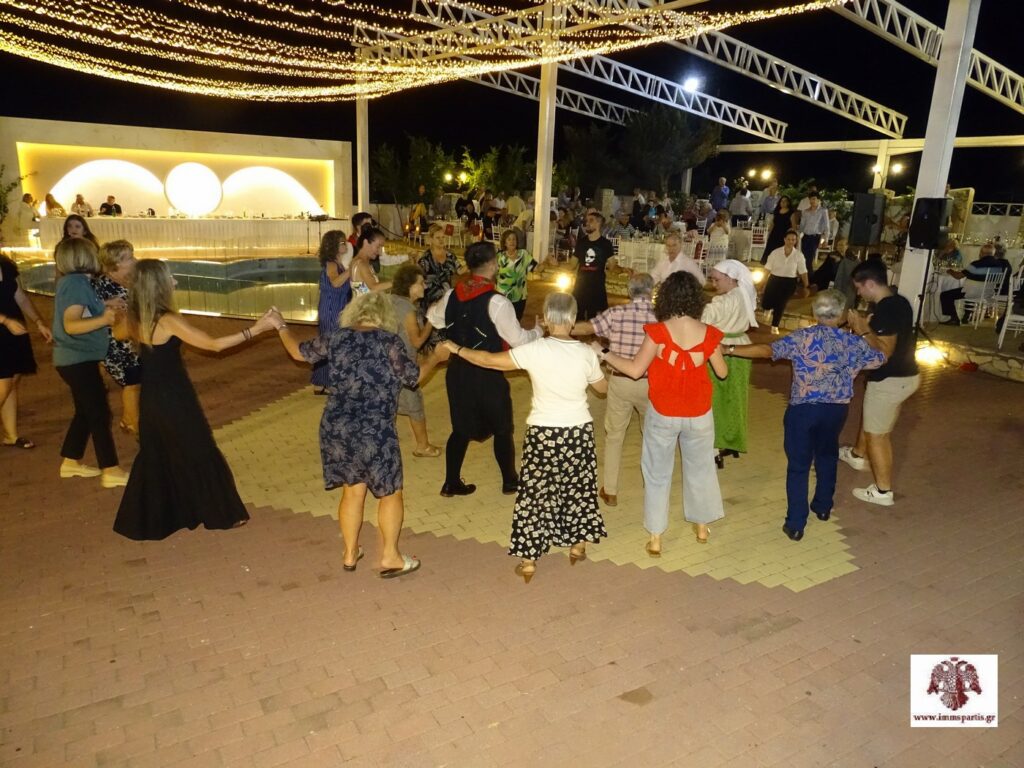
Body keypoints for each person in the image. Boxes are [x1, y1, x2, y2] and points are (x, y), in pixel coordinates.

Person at [269, 293, 448, 576]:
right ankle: (390, 557)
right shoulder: (388, 342)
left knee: (352, 489)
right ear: (385, 316)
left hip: (337, 427)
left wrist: (281, 325)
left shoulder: (337, 337)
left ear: (354, 313)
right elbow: (413, 377)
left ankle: (351, 552)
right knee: (390, 492)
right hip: (375, 429)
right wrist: (436, 357)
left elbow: (298, 352)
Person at [444, 293, 608, 583]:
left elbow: (489, 361)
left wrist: (457, 349)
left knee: (534, 493)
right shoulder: (585, 353)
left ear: (545, 319)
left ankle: (529, 560)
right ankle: (578, 545)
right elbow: (602, 388)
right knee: (579, 487)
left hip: (542, 431)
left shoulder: (535, 349)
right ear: (572, 319)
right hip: (578, 430)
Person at [112, 261, 276, 539]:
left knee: (157, 452)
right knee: (198, 449)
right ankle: (221, 514)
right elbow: (213, 344)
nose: (175, 282)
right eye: (170, 278)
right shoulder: (167, 320)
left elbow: (117, 333)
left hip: (151, 396)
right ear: (158, 285)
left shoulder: (136, 318)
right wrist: (257, 329)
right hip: (175, 397)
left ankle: (153, 518)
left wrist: (117, 313)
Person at [725, 290, 885, 540]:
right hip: (836, 410)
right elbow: (879, 358)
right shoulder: (852, 342)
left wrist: (730, 348)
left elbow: (767, 350)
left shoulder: (802, 338)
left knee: (799, 465)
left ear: (814, 312)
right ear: (842, 314)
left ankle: (796, 523)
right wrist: (863, 331)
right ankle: (823, 507)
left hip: (803, 410)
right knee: (827, 456)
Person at [600, 272, 728, 553]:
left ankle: (656, 537)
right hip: (699, 413)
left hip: (663, 412)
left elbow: (635, 370)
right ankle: (702, 526)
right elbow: (722, 372)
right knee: (701, 468)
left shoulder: (657, 332)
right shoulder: (709, 333)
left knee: (657, 473)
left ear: (666, 297)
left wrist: (606, 353)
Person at [427, 241, 542, 497]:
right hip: (488, 371)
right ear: (492, 265)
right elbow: (519, 341)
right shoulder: (498, 302)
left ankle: (451, 482)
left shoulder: (452, 294)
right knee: (502, 427)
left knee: (460, 428)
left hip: (458, 371)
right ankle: (510, 481)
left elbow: (434, 317)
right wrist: (538, 331)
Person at [571, 272, 656, 507]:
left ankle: (610, 490)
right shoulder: (661, 316)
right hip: (650, 384)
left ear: (629, 291)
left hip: (620, 380)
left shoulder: (616, 313)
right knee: (651, 437)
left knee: (615, 436)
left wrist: (559, 325)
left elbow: (587, 328)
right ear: (651, 292)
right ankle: (652, 488)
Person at [840, 260, 920, 507]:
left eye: (859, 288)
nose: (859, 293)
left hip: (889, 381)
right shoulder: (899, 301)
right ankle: (857, 454)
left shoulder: (887, 310)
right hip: (906, 375)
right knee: (875, 422)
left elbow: (884, 350)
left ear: (870, 284)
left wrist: (862, 329)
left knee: (878, 436)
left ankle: (883, 491)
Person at [51, 238, 129, 488]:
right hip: (77, 359)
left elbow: (81, 309)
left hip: (74, 359)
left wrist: (104, 304)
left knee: (86, 411)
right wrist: (105, 318)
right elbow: (71, 324)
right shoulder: (76, 283)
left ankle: (70, 461)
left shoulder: (74, 282)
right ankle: (110, 469)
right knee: (99, 413)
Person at [703, 260, 757, 465]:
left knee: (715, 399)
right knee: (735, 397)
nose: (714, 284)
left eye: (717, 280)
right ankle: (732, 439)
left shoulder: (722, 302)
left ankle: (714, 446)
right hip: (742, 347)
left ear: (730, 277)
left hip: (720, 348)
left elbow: (702, 321)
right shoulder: (744, 294)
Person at [0, 253, 53, 449]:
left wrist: (39, 322)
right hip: (6, 327)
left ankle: (11, 435)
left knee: (12, 381)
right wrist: (5, 321)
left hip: (13, 331)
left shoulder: (6, 267)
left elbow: (21, 298)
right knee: (4, 384)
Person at [389, 263, 441, 458]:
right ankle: (422, 446)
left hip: (388, 360)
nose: (425, 286)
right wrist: (431, 321)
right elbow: (417, 341)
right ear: (410, 286)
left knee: (389, 404)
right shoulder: (407, 309)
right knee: (414, 403)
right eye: (421, 283)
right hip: (401, 364)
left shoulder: (393, 300)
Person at [93, 240, 142, 435]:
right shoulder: (101, 285)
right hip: (114, 343)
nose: (135, 260)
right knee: (132, 383)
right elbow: (85, 311)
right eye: (129, 257)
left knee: (136, 382)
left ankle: (128, 419)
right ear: (116, 263)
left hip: (132, 340)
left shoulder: (132, 280)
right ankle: (133, 424)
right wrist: (105, 305)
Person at [311, 230, 353, 391]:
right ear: (333, 246)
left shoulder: (339, 263)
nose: (345, 244)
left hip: (337, 306)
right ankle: (327, 382)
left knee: (330, 343)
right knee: (331, 343)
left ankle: (323, 381)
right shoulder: (332, 264)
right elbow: (335, 283)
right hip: (331, 308)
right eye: (342, 242)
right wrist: (351, 270)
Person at [939, 243, 1011, 325]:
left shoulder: (976, 264)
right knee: (970, 288)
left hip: (973, 293)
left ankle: (954, 319)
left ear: (981, 253)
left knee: (945, 295)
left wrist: (950, 271)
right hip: (989, 293)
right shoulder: (999, 266)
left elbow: (958, 276)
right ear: (993, 253)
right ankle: (966, 315)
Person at [572, 211, 623, 321]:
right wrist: (555, 264)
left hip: (597, 287)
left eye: (591, 220)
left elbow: (612, 266)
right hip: (580, 287)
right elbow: (572, 264)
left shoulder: (605, 244)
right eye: (586, 220)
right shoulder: (581, 243)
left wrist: (624, 270)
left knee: (595, 321)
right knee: (577, 319)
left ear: (599, 223)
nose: (587, 223)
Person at [761, 230, 809, 334]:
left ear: (796, 241)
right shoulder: (775, 252)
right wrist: (762, 282)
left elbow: (803, 272)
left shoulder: (799, 255)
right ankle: (768, 308)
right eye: (789, 239)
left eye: (793, 240)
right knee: (767, 302)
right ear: (784, 240)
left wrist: (806, 286)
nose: (791, 242)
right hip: (774, 279)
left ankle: (775, 325)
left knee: (781, 302)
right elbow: (767, 269)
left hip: (789, 282)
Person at [419, 222, 462, 310]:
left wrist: (472, 263)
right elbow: (419, 278)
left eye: (443, 237)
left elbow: (460, 271)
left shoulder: (450, 255)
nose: (441, 240)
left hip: (447, 300)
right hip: (430, 302)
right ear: (431, 239)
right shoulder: (426, 258)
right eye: (438, 238)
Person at [496, 229, 533, 319]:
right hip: (503, 296)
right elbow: (491, 273)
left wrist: (547, 261)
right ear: (504, 243)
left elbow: (535, 268)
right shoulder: (499, 256)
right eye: (509, 239)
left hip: (520, 296)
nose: (512, 241)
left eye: (514, 239)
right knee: (503, 321)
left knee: (516, 321)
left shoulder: (523, 254)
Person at [350, 227, 391, 295]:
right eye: (378, 246)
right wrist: (396, 282)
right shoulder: (360, 263)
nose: (380, 253)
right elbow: (373, 287)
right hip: (364, 302)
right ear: (365, 242)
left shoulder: (362, 262)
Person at [798, 192, 829, 274]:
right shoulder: (805, 211)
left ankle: (809, 277)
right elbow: (802, 225)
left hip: (815, 237)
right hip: (805, 237)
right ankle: (805, 276)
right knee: (803, 258)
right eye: (810, 199)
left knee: (809, 258)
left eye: (814, 199)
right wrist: (798, 234)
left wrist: (826, 240)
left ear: (818, 200)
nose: (812, 201)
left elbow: (826, 226)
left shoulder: (823, 211)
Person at [762, 195, 795, 262]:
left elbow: (793, 226)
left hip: (784, 235)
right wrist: (769, 233)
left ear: (788, 203)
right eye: (782, 201)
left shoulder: (791, 213)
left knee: (782, 252)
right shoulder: (776, 211)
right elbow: (773, 223)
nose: (783, 202)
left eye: (785, 201)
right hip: (774, 234)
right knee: (771, 250)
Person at [831, 238, 861, 310]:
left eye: (842, 245)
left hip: (847, 290)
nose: (839, 247)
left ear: (847, 246)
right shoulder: (834, 257)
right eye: (838, 245)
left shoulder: (850, 260)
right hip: (845, 290)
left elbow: (839, 279)